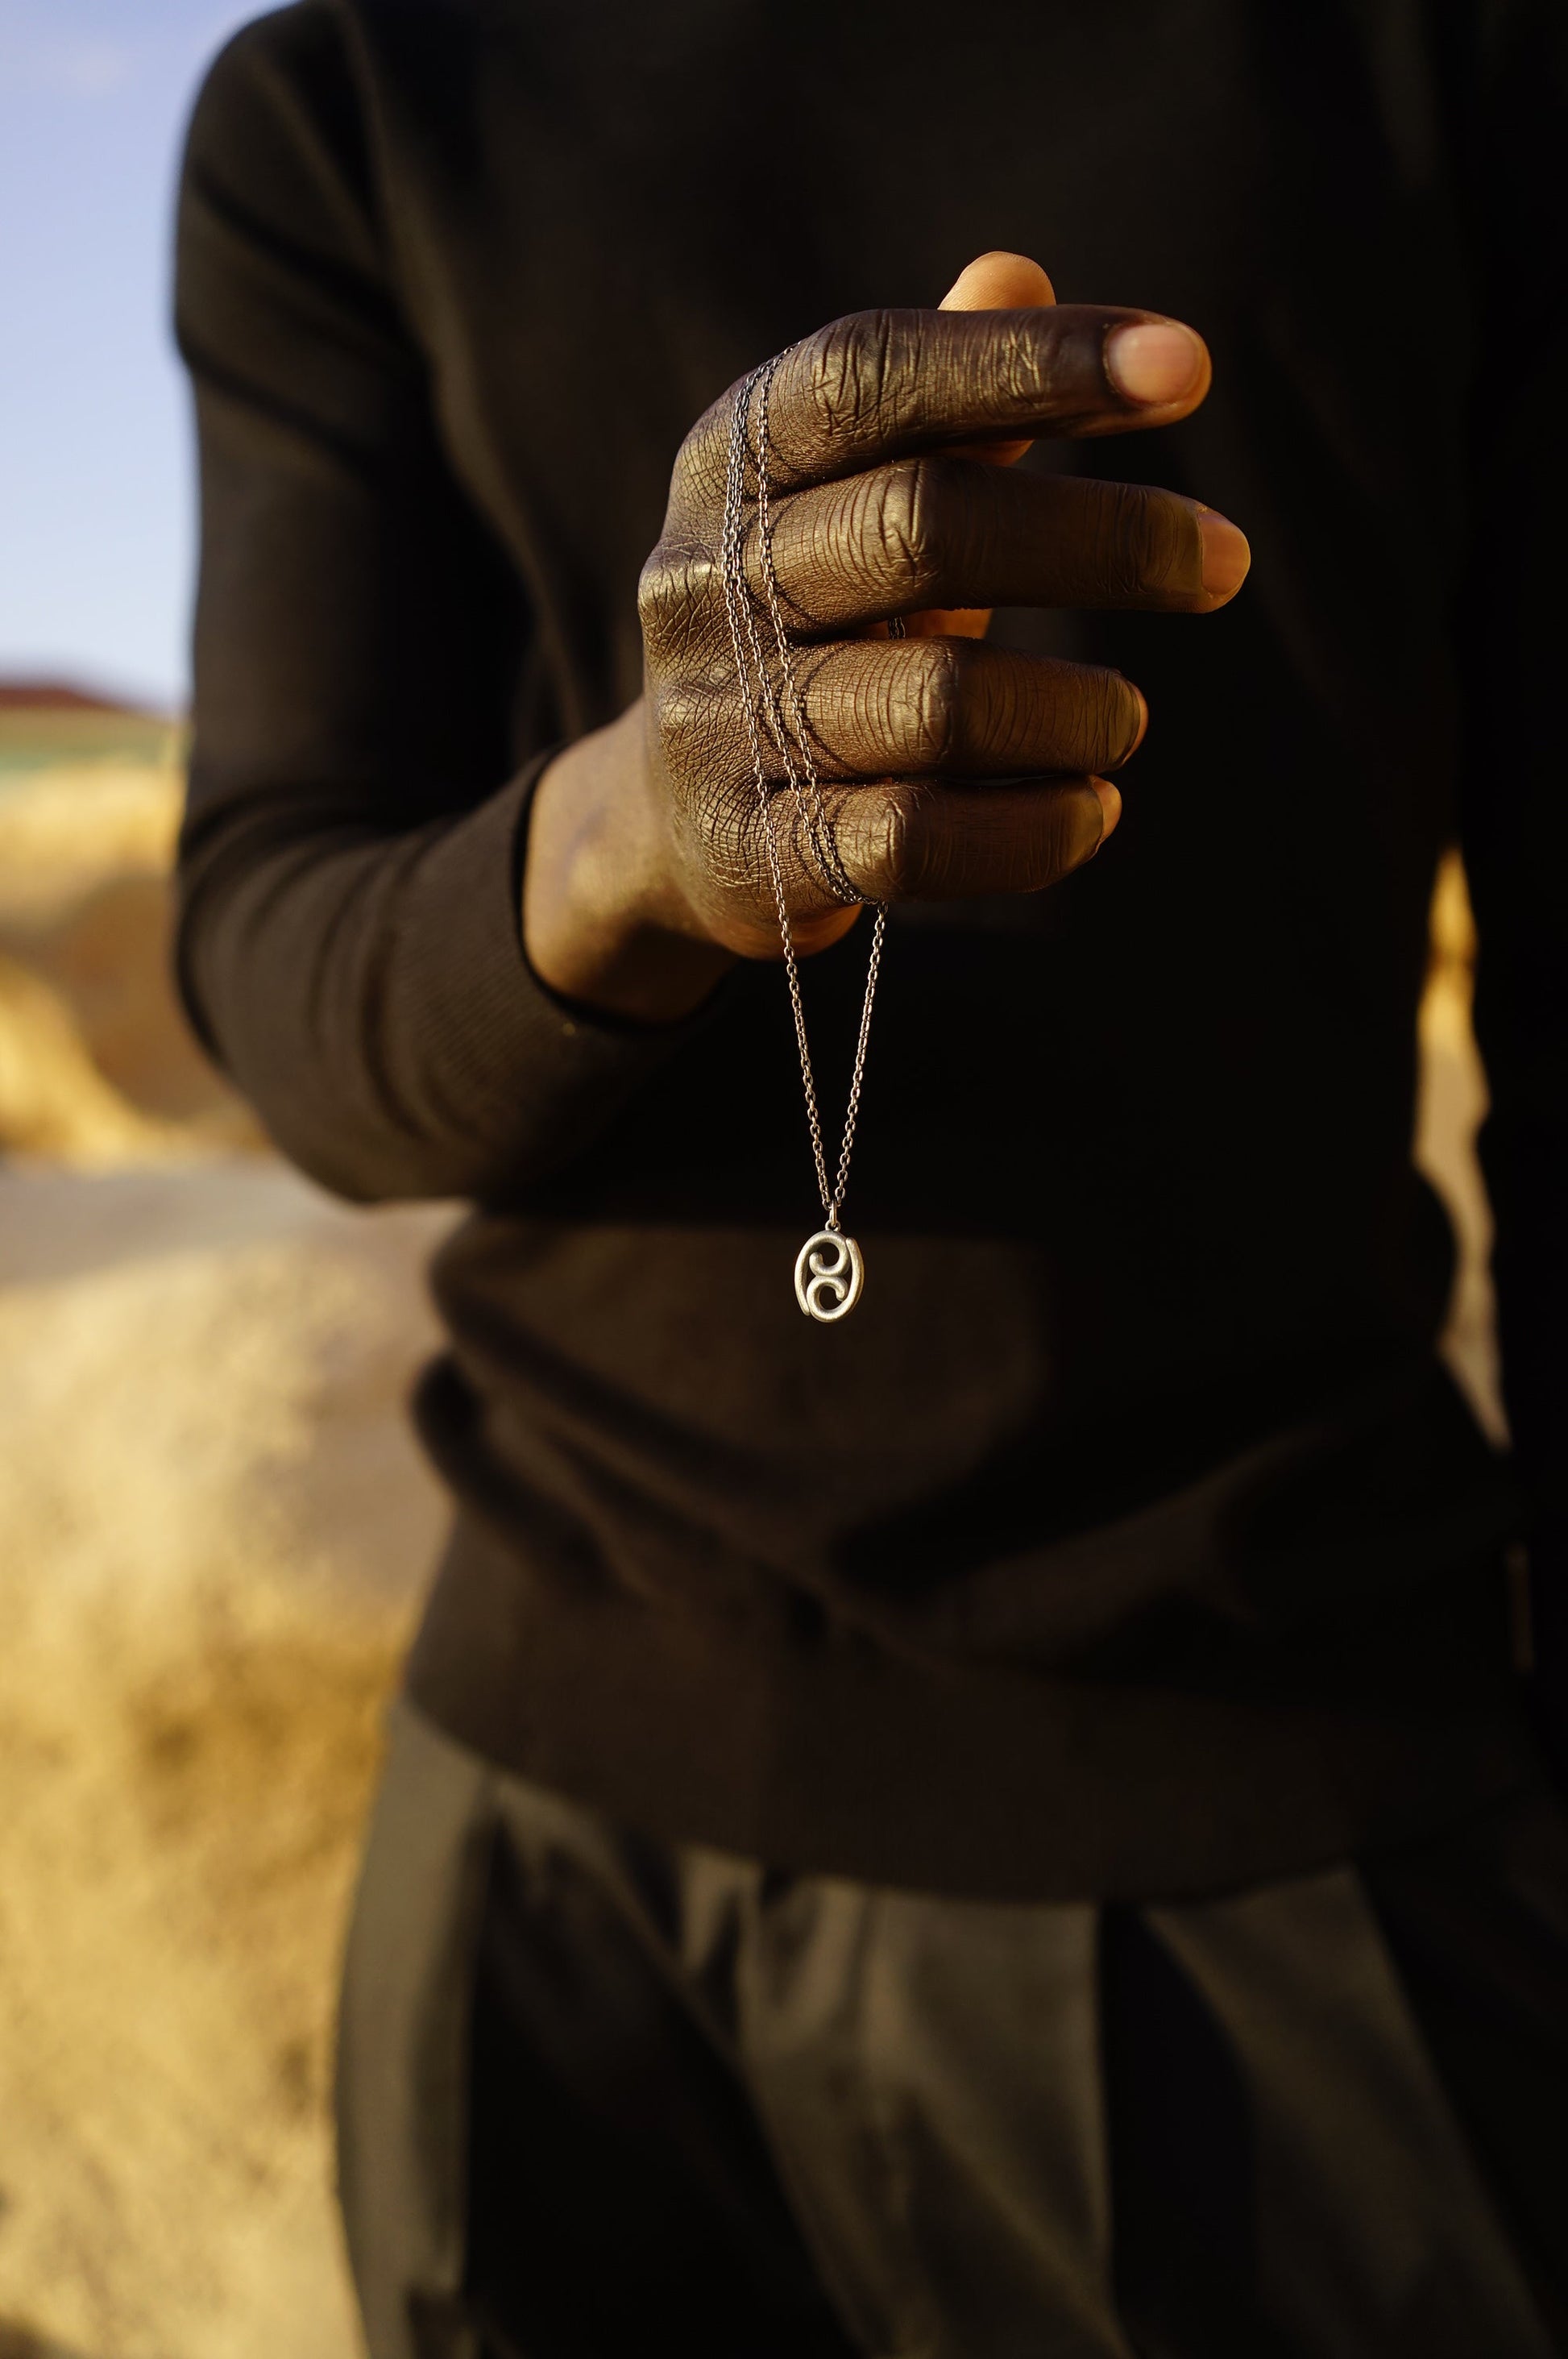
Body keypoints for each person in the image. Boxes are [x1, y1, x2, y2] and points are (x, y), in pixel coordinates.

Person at [174, 3, 1568, 2352]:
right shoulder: (361, 97)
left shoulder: (1451, 64)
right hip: (541, 1872)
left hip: (1279, 1831)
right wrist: (629, 832)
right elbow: (282, 962)